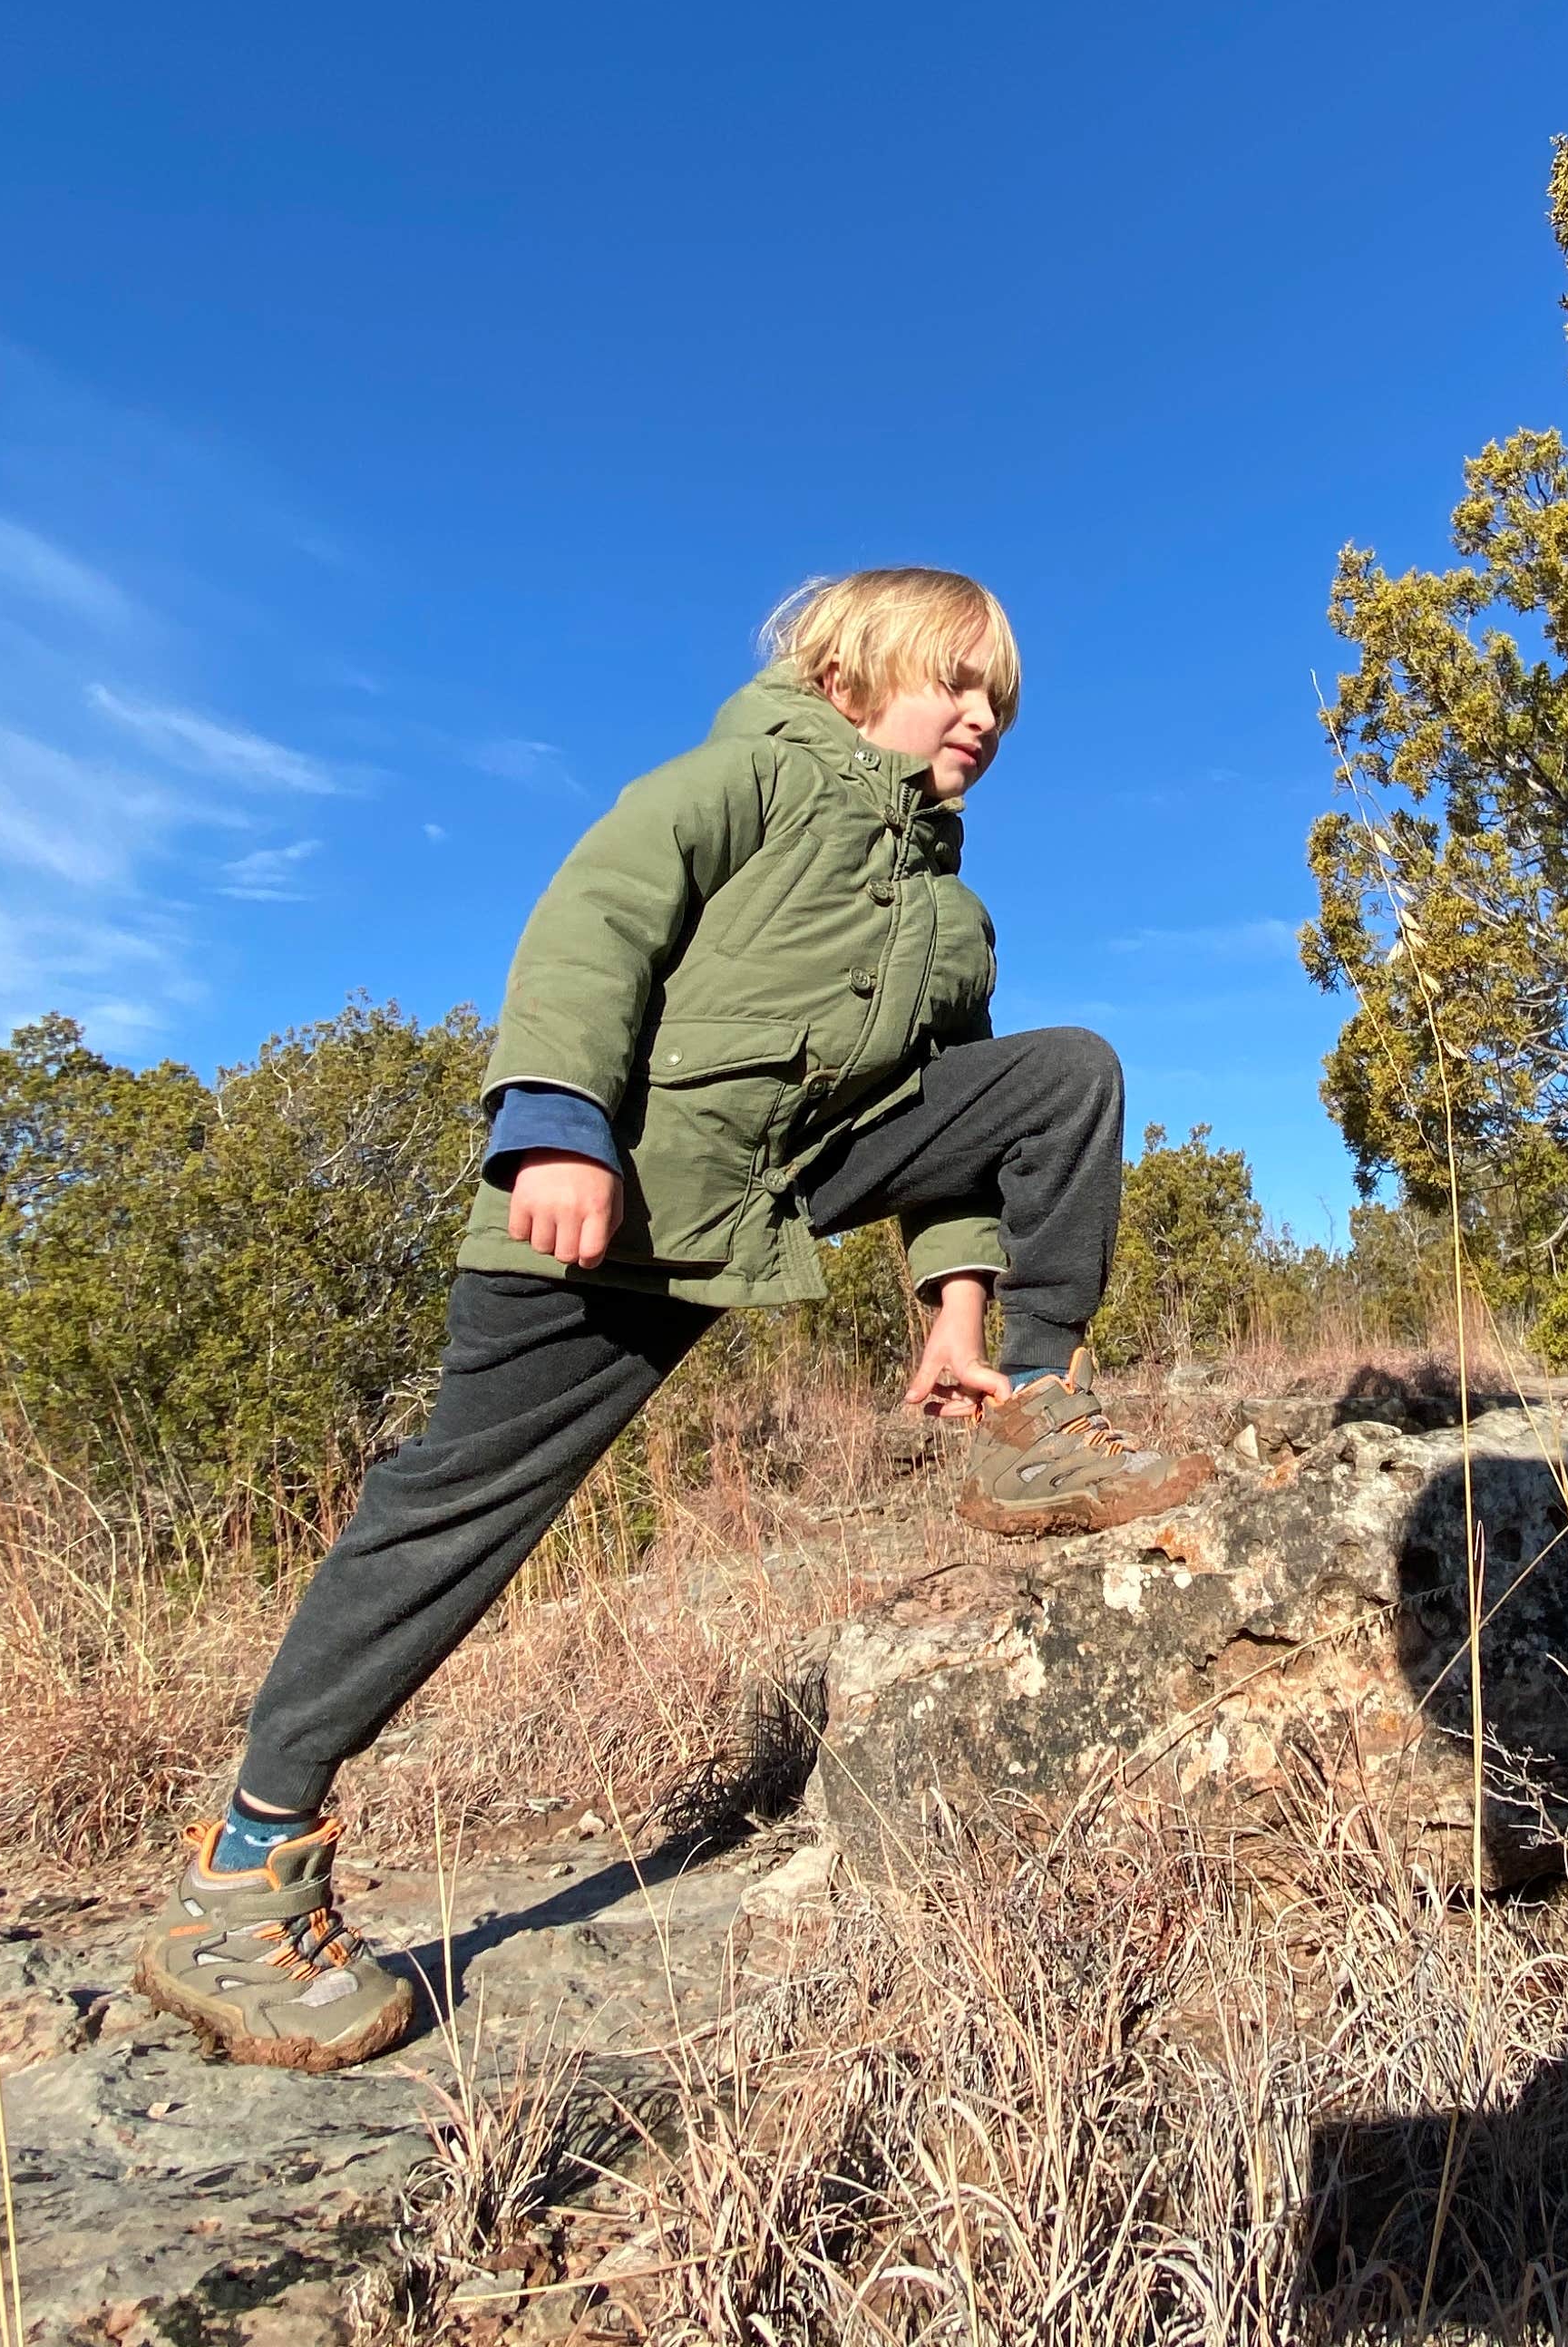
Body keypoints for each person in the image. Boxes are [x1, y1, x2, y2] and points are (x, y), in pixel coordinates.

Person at [133, 567, 1209, 2069]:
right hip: (605, 1211)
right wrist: (556, 1124)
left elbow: (954, 1129)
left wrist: (955, 1311)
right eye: (952, 682)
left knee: (1065, 1072)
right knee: (453, 1513)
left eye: (1000, 703)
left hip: (773, 1195)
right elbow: (597, 921)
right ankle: (242, 1876)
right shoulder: (746, 779)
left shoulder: (948, 913)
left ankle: (1031, 1406)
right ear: (847, 674)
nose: (980, 718)